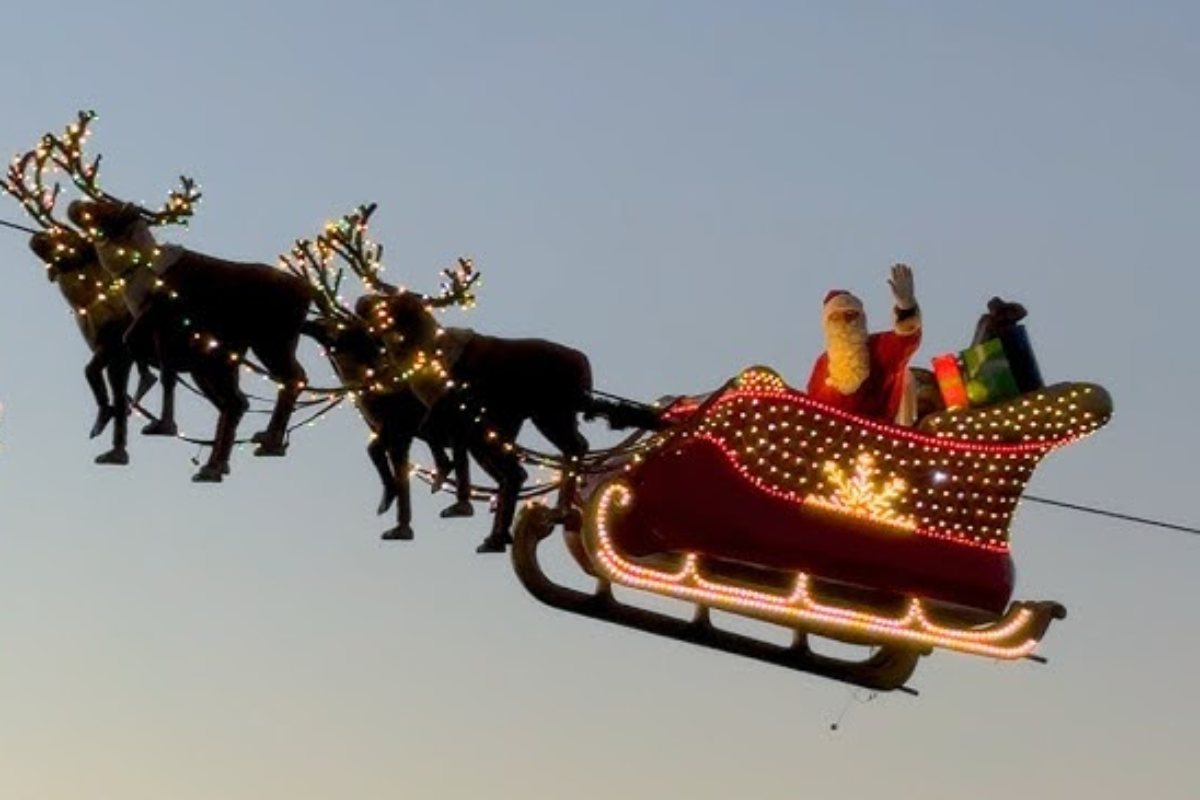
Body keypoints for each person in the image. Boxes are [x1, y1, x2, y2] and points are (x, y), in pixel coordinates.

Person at [806, 263, 921, 423]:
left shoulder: (878, 348)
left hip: (877, 439)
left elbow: (905, 340)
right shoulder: (822, 364)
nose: (845, 322)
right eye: (836, 317)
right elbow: (812, 411)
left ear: (861, 318)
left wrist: (906, 307)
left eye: (850, 314)